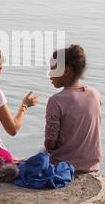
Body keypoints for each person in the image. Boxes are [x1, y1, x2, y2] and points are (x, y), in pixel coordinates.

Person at [44, 45, 102, 173]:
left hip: (63, 166)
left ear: (66, 71)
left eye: (53, 69)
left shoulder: (56, 101)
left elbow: (50, 144)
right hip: (91, 165)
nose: (49, 75)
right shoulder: (95, 94)